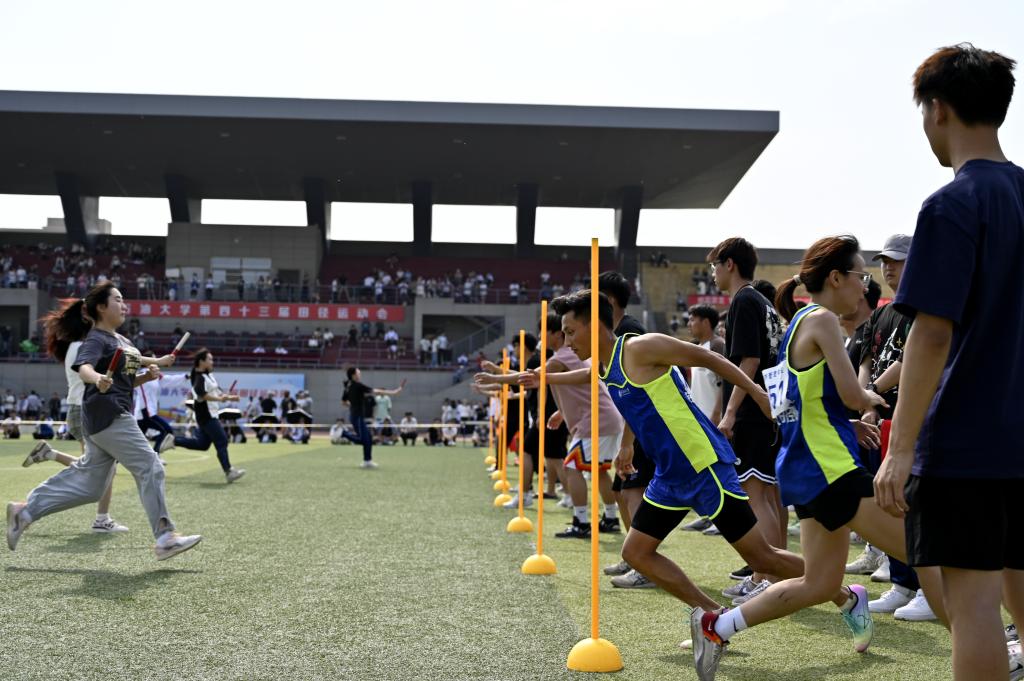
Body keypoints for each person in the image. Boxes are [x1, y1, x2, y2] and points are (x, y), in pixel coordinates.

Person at [528, 290, 856, 646]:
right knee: (636, 553)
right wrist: (626, 445)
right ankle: (713, 618)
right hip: (669, 476)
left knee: (762, 558)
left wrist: (757, 393)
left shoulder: (640, 348)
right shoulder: (605, 366)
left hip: (703, 465)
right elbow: (622, 397)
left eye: (571, 331)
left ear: (594, 325)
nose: (567, 341)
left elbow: (707, 357)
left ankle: (844, 596)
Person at [692, 236, 946, 681]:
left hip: (805, 469)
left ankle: (716, 626)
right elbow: (851, 393)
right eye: (860, 276)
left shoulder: (797, 324)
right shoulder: (824, 320)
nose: (865, 287)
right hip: (831, 469)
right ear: (836, 278)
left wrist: (844, 423)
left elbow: (791, 404)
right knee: (928, 553)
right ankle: (983, 650)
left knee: (820, 583)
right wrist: (875, 398)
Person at [873, 44, 1024, 681]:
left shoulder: (951, 204)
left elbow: (931, 334)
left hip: (969, 441)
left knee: (974, 604)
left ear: (937, 109)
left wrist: (901, 447)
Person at [6, 282, 201, 560]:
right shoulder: (96, 339)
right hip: (109, 414)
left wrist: (151, 371)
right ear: (100, 307)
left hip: (102, 418)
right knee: (150, 466)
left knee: (91, 487)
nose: (124, 305)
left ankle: (24, 512)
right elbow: (84, 368)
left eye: (123, 300)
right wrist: (97, 378)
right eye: (117, 300)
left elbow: (128, 377)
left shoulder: (124, 342)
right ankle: (165, 537)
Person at [847, 234, 935, 621]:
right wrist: (867, 400)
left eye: (897, 261)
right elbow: (867, 357)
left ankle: (929, 589)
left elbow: (914, 358)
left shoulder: (927, 306)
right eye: (884, 261)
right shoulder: (884, 312)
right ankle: (903, 583)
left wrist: (872, 393)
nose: (888, 268)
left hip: (913, 415)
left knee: (915, 502)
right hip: (883, 417)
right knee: (889, 499)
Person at [708, 237, 787, 590]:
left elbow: (750, 360)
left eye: (715, 265)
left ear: (729, 264)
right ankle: (775, 574)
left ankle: (764, 577)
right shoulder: (762, 301)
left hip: (753, 411)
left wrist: (729, 413)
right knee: (768, 496)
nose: (713, 273)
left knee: (756, 495)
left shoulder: (743, 300)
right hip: (770, 407)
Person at [596, 271, 657, 587]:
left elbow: (639, 390)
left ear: (608, 300)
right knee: (621, 493)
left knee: (633, 492)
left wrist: (628, 441)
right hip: (632, 426)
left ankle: (646, 565)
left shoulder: (629, 333)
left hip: (643, 426)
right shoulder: (615, 334)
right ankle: (634, 557)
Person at [173, 349, 246, 483]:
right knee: (222, 440)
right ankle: (229, 471)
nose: (212, 362)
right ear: (202, 361)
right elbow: (201, 395)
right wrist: (220, 399)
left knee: (202, 445)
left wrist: (230, 397)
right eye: (210, 359)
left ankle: (173, 441)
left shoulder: (208, 375)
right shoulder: (199, 377)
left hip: (211, 414)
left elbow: (217, 393)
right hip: (206, 416)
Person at [340, 368, 405, 468]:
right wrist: (394, 392)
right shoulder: (357, 385)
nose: (360, 374)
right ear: (353, 375)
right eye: (358, 373)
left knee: (368, 439)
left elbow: (343, 402)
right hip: (357, 417)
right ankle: (343, 434)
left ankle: (367, 461)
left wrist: (353, 406)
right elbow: (376, 391)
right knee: (364, 440)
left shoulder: (348, 386)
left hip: (355, 416)